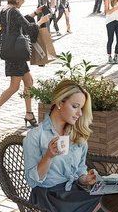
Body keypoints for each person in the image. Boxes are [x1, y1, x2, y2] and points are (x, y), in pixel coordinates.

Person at [22, 79, 102, 212]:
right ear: (59, 103)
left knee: (114, 200)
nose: (80, 113)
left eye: (81, 108)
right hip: (49, 198)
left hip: (73, 193)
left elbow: (80, 170)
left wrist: (85, 179)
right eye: (75, 106)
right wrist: (48, 157)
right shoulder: (36, 136)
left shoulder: (77, 135)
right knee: (105, 203)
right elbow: (32, 182)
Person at [0, 0, 39, 129]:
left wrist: (35, 13)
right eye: (22, 1)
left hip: (13, 52)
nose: (22, 4)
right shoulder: (14, 11)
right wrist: (40, 21)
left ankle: (29, 113)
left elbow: (18, 23)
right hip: (16, 54)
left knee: (29, 82)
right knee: (14, 87)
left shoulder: (4, 10)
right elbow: (28, 28)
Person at [103, 0, 118, 64]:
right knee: (110, 39)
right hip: (110, 21)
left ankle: (116, 55)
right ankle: (109, 56)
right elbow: (106, 12)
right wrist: (115, 8)